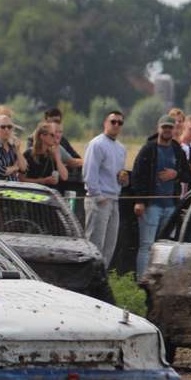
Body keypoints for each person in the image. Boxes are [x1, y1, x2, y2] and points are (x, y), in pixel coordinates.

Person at [131, 115, 191, 277]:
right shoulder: (148, 149)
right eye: (164, 127)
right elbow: (137, 175)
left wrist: (176, 174)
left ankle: (160, 281)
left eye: (170, 127)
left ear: (174, 129)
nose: (167, 130)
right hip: (151, 205)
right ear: (158, 128)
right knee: (146, 245)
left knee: (166, 247)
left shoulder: (178, 151)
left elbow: (188, 176)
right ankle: (142, 282)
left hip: (171, 206)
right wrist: (139, 200)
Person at [82, 111, 127, 267]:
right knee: (95, 245)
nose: (116, 125)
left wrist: (124, 179)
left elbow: (119, 175)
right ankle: (87, 278)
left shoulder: (121, 148)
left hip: (114, 199)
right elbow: (89, 173)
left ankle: (101, 278)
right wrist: (98, 196)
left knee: (109, 247)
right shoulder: (96, 144)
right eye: (113, 121)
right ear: (105, 123)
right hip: (99, 199)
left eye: (120, 123)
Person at [22, 121, 68, 187]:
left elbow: (64, 177)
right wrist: (43, 181)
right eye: (52, 135)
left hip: (51, 191)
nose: (55, 138)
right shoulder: (28, 154)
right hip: (34, 191)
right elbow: (21, 180)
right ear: (42, 136)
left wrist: (57, 158)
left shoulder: (52, 154)